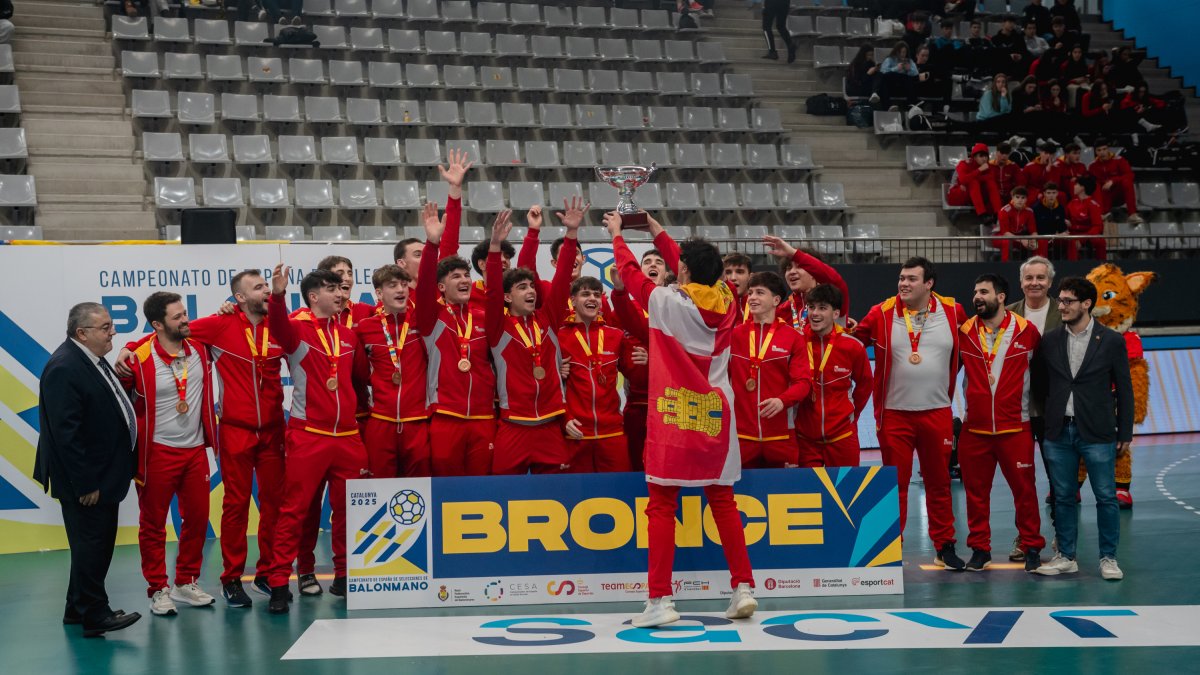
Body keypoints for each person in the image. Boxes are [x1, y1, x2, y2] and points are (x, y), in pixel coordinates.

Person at [605, 212, 757, 629]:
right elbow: (687, 263)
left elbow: (630, 273)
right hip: (716, 414)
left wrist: (618, 235)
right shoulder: (728, 301)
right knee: (723, 502)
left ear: (683, 270)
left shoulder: (664, 300)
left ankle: (660, 601)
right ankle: (743, 586)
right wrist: (656, 228)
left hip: (674, 413)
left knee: (661, 505)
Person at [115, 270, 286, 607]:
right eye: (258, 287)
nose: (266, 290)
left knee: (250, 510)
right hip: (207, 438)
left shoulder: (269, 327)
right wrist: (127, 346)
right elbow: (156, 344)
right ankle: (205, 582)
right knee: (221, 510)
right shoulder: (213, 328)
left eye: (267, 285)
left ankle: (252, 575)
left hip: (249, 436)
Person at [265, 266, 370, 613]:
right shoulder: (296, 331)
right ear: (313, 297)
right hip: (309, 434)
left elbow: (359, 381)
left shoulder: (349, 335)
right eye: (330, 289)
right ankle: (280, 583)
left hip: (348, 437)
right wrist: (277, 296)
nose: (340, 294)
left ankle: (344, 575)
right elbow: (276, 326)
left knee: (346, 514)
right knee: (294, 511)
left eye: (341, 288)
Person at [853, 257, 968, 570]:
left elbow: (970, 348)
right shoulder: (881, 312)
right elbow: (852, 344)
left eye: (911, 279)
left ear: (928, 283)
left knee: (939, 483)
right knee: (894, 485)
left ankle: (945, 546)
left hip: (937, 412)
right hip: (894, 415)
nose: (903, 283)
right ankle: (889, 548)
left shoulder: (953, 311)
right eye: (901, 278)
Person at [33, 303, 141, 637]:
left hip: (101, 473)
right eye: (106, 327)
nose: (113, 333)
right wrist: (86, 483)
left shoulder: (87, 360)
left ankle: (76, 608)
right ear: (83, 333)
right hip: (87, 480)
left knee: (91, 545)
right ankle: (96, 614)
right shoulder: (66, 367)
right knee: (92, 546)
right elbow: (67, 435)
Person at [121, 292, 219, 616]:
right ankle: (158, 589)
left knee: (196, 520)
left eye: (185, 313)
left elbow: (224, 326)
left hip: (194, 452)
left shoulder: (200, 348)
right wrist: (129, 345)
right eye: (177, 317)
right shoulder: (139, 357)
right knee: (153, 525)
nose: (185, 320)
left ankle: (185, 581)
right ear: (157, 324)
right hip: (156, 453)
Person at [1035, 276, 1134, 580]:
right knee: (1062, 496)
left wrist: (1125, 433)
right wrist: (1045, 423)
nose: (1061, 306)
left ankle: (1108, 558)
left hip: (1098, 432)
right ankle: (1066, 556)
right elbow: (1040, 384)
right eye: (1060, 300)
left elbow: (1125, 389)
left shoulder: (1113, 340)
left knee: (1105, 496)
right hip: (1058, 431)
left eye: (1067, 301)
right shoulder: (1050, 339)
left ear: (1086, 304)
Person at [486, 201, 583, 475]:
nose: (530, 291)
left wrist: (572, 233)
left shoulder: (548, 317)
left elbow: (563, 278)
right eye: (521, 287)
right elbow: (492, 290)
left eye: (531, 286)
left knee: (557, 499)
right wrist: (495, 247)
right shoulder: (498, 327)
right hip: (513, 426)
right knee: (503, 500)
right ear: (508, 297)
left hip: (551, 427)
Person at [958, 274, 1046, 573]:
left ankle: (1032, 546)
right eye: (975, 292)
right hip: (975, 429)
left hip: (1016, 427)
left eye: (983, 292)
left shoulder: (1027, 331)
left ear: (1001, 297)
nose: (977, 297)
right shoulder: (965, 332)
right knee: (975, 494)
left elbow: (1044, 376)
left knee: (1025, 492)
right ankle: (980, 549)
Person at [416, 198, 496, 476]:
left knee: (482, 489)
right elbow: (424, 284)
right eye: (455, 277)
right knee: (446, 489)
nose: (464, 280)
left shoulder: (484, 316)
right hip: (446, 415)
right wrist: (432, 244)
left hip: (484, 416)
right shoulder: (432, 318)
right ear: (441, 286)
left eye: (466, 275)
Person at [1006, 255, 1062, 561]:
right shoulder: (1008, 313)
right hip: (1018, 412)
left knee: (1059, 479)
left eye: (1041, 278)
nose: (1035, 283)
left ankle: (1061, 537)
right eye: (1029, 278)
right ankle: (1025, 537)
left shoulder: (1063, 311)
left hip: (1053, 411)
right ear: (1021, 282)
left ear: (1050, 282)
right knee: (1021, 481)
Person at [729, 272, 812, 468]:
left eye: (760, 292)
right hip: (740, 437)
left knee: (784, 496)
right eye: (750, 293)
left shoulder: (793, 338)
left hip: (781, 436)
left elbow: (803, 383)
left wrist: (782, 401)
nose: (752, 298)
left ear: (775, 300)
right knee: (741, 496)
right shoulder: (734, 335)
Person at [355, 265, 430, 478]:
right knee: (379, 486)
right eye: (393, 285)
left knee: (420, 489)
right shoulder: (365, 328)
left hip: (417, 421)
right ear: (379, 293)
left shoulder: (422, 322)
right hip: (381, 421)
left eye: (404, 285)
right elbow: (359, 372)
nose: (401, 290)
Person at [559, 275, 637, 472]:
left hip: (612, 432)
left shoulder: (616, 336)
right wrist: (565, 417)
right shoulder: (559, 337)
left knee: (617, 494)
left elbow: (635, 375)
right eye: (585, 294)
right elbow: (549, 388)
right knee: (576, 497)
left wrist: (645, 359)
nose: (592, 298)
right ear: (573, 300)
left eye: (596, 294)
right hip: (575, 431)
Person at [795, 284, 872, 468]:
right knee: (809, 495)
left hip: (842, 437)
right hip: (805, 440)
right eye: (811, 307)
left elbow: (865, 385)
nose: (815, 313)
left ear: (836, 314)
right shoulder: (796, 343)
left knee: (846, 496)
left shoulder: (852, 346)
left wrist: (851, 415)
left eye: (822, 308)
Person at [762, 235, 850, 326]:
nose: (792, 272)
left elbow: (835, 280)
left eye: (799, 267)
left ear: (814, 271)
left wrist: (794, 254)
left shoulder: (833, 299)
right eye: (788, 268)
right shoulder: (780, 312)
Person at [1089, 139, 1142, 224]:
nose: (1102, 152)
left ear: (1108, 149)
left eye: (1104, 149)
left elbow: (1130, 175)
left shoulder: (1119, 160)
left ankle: (1132, 214)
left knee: (1127, 181)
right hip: (1104, 196)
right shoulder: (1092, 166)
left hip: (1119, 194)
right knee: (1095, 184)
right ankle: (1103, 214)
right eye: (1099, 150)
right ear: (1096, 152)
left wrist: (1113, 181)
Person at [949, 143, 1003, 222]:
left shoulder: (988, 166)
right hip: (957, 193)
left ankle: (997, 214)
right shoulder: (964, 164)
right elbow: (963, 180)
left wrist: (971, 178)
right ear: (974, 157)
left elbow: (990, 178)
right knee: (973, 182)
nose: (984, 159)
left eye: (986, 156)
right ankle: (982, 214)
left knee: (990, 183)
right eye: (981, 156)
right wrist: (979, 170)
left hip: (973, 193)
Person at [995, 186, 1044, 262]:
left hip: (1018, 237)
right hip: (1000, 237)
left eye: (1023, 198)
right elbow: (1005, 233)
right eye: (1017, 197)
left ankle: (1038, 264)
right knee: (1007, 241)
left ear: (1026, 199)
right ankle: (1006, 266)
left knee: (1039, 241)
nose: (1020, 200)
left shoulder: (1029, 211)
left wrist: (1034, 240)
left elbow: (1033, 230)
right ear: (1012, 198)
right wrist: (1022, 240)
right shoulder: (1005, 210)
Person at [1065, 176, 1106, 260]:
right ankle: (1072, 266)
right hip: (1073, 234)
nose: (1074, 186)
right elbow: (1065, 218)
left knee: (1100, 241)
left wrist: (1081, 239)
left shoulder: (1093, 205)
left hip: (1087, 234)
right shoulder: (1071, 203)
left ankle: (1102, 266)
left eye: (1077, 184)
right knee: (1071, 241)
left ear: (1082, 188)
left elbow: (1097, 227)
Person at [1032, 182, 1069, 257]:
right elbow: (1035, 228)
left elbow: (1062, 227)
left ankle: (1072, 264)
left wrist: (1064, 233)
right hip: (1041, 237)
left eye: (1053, 193)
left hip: (1055, 237)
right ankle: (1042, 264)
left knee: (1071, 241)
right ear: (1044, 194)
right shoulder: (1036, 208)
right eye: (1048, 193)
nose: (1051, 195)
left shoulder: (1060, 208)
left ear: (1057, 194)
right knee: (1042, 242)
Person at [879, 42, 920, 109]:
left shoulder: (909, 61)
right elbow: (883, 71)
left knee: (911, 80)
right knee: (887, 77)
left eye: (904, 52)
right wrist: (896, 68)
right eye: (900, 52)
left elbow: (916, 74)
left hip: (904, 86)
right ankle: (887, 107)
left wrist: (909, 69)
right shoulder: (890, 59)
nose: (902, 54)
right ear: (896, 52)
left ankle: (910, 108)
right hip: (891, 86)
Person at [722, 251, 753, 322]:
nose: (733, 278)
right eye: (728, 272)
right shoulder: (716, 304)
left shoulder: (761, 305)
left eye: (739, 272)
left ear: (750, 277)